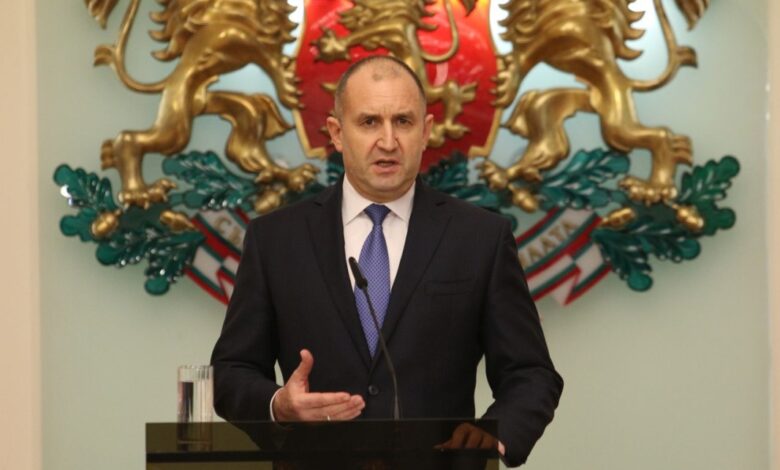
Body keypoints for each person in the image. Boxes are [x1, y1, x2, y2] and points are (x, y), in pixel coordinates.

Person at [211, 55, 563, 467]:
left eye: (403, 121)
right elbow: (231, 371)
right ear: (337, 133)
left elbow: (531, 373)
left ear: (426, 132)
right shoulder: (276, 239)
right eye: (369, 122)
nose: (389, 141)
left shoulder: (480, 237)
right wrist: (278, 405)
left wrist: (495, 433)